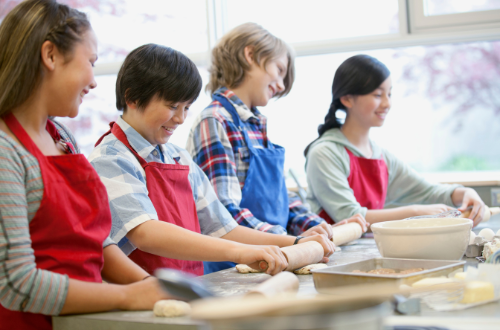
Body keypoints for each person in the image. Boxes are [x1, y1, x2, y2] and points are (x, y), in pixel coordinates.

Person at [89, 43, 336, 278]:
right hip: (141, 296)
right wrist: (241, 252)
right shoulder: (111, 159)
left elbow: (223, 228)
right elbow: (146, 233)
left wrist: (296, 242)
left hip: (191, 287)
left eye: (186, 108)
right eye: (172, 106)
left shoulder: (178, 157)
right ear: (132, 98)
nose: (180, 119)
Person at [0, 1, 168, 330]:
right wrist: (129, 297)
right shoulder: (7, 151)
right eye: (90, 62)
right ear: (50, 56)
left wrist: (153, 287)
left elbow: (97, 244)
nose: (93, 81)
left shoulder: (61, 138)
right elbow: (16, 283)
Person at [186, 22, 368, 274]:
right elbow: (223, 215)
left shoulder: (256, 126)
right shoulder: (215, 121)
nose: (281, 86)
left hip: (278, 257)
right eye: (279, 70)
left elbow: (281, 201)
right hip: (235, 268)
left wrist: (321, 228)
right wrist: (290, 241)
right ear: (250, 55)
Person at [303, 54, 485, 227]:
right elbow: (350, 215)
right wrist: (415, 212)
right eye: (377, 95)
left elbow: (427, 191)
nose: (387, 104)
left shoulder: (381, 156)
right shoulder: (324, 153)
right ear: (347, 99)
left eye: (389, 94)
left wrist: (465, 193)